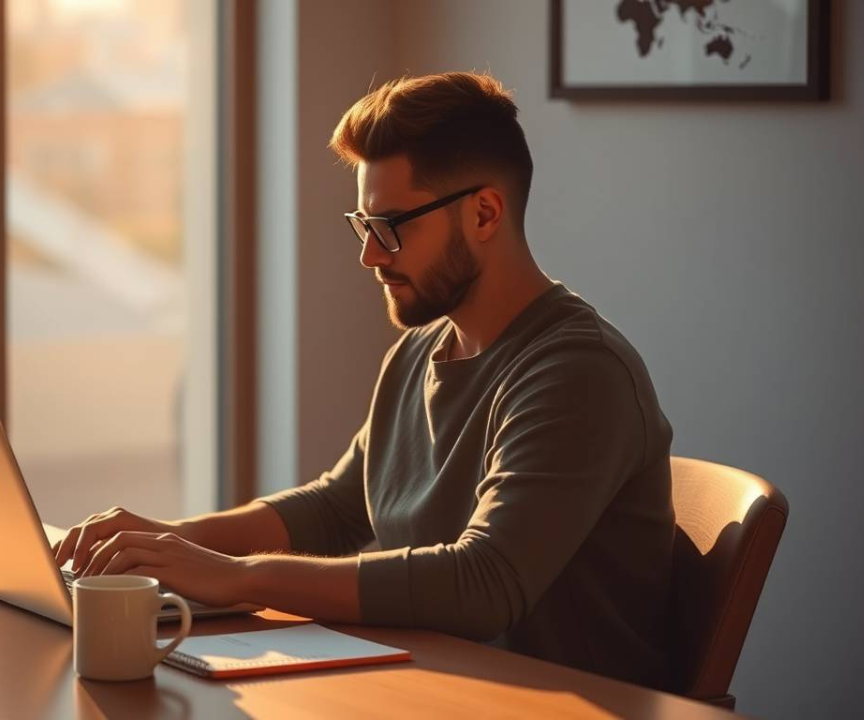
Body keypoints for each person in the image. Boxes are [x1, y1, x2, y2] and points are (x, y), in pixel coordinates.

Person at [53, 72, 675, 689]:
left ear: (485, 214)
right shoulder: (418, 352)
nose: (370, 256)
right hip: (424, 688)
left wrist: (238, 576)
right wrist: (166, 544)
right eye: (364, 224)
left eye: (392, 226)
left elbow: (485, 582)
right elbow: (336, 507)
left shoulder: (578, 373)